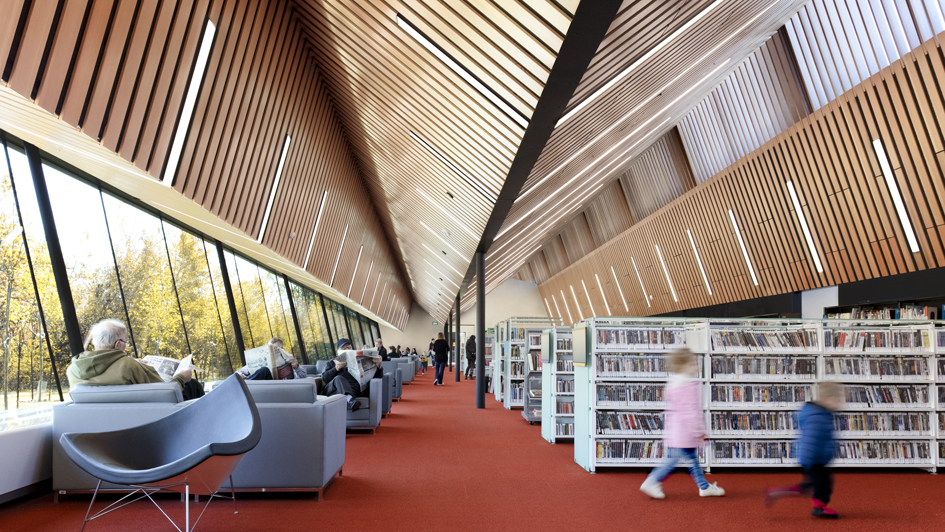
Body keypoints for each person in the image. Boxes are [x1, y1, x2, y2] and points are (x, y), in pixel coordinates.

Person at [639, 348, 724, 499]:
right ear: (681, 366)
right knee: (673, 460)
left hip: (675, 430)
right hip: (686, 432)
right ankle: (652, 481)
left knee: (691, 458)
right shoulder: (688, 385)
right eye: (692, 364)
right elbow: (691, 412)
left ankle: (704, 486)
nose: (696, 367)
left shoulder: (673, 382)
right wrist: (699, 431)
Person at [66, 319, 203, 401]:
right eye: (126, 342)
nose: (126, 346)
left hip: (96, 424)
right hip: (146, 422)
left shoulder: (73, 369)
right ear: (118, 344)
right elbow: (165, 393)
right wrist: (181, 377)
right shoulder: (129, 366)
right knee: (193, 385)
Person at [764, 381, 843, 519]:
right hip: (812, 460)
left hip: (818, 458)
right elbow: (810, 440)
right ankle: (775, 493)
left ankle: (819, 506)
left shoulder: (823, 414)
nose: (840, 404)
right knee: (810, 486)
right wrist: (808, 460)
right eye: (837, 400)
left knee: (822, 483)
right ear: (826, 399)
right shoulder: (817, 417)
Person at [319, 338, 383, 411]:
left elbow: (378, 376)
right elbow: (324, 378)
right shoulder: (331, 363)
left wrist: (379, 366)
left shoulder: (358, 362)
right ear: (338, 351)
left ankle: (350, 398)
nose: (348, 350)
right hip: (334, 390)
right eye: (344, 348)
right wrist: (336, 368)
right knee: (338, 378)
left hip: (353, 390)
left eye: (349, 348)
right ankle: (350, 400)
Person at [235, 337, 306, 380]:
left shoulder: (289, 361)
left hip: (279, 386)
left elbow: (303, 376)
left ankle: (244, 384)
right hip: (263, 386)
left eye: (276, 348)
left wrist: (296, 367)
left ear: (282, 349)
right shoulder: (262, 360)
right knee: (263, 369)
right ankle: (245, 383)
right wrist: (240, 375)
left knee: (264, 370)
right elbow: (238, 372)